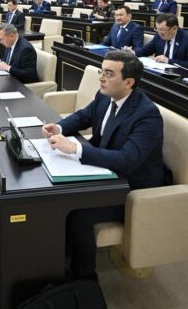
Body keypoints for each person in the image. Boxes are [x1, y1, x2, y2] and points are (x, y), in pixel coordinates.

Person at [42, 50, 165, 280]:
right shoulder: (105, 96)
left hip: (131, 187)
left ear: (128, 82)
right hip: (106, 172)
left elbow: (127, 161)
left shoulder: (147, 115)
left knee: (78, 213)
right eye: (101, 72)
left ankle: (83, 277)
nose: (101, 78)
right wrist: (59, 128)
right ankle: (60, 256)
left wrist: (76, 149)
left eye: (108, 74)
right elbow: (83, 116)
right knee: (57, 196)